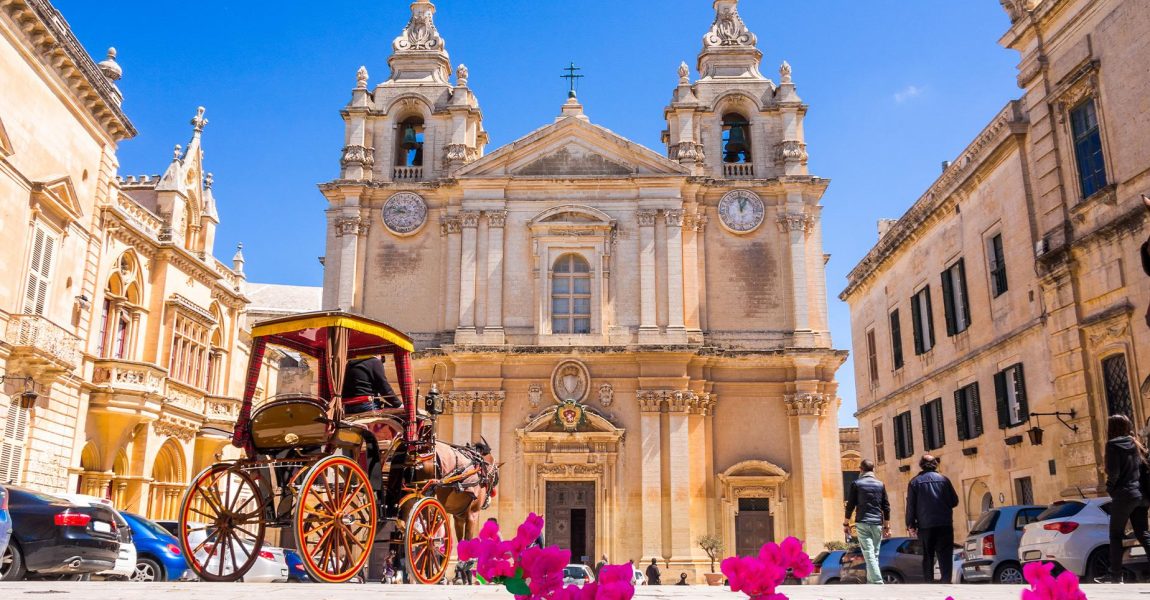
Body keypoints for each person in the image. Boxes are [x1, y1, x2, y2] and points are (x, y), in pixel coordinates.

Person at [1099, 414, 1150, 583]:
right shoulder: (1137, 444)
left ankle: (1115, 575)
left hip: (1124, 495)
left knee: (1115, 535)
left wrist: (1110, 488)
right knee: (1143, 533)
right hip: (1141, 495)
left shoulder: (1112, 445)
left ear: (1112, 428)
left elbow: (1114, 473)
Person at [905, 453, 958, 584]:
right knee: (945, 554)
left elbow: (911, 506)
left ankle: (929, 581)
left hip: (925, 525)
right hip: (944, 523)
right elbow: (954, 501)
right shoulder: (944, 480)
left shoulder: (914, 482)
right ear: (935, 464)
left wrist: (910, 524)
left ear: (921, 466)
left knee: (927, 555)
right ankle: (946, 580)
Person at [844, 458, 891, 584]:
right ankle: (871, 582)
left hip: (863, 522)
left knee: (869, 552)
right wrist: (887, 526)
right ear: (873, 470)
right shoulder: (880, 484)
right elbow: (886, 507)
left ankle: (876, 580)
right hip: (877, 523)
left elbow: (850, 506)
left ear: (861, 469)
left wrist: (846, 523)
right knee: (874, 553)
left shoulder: (856, 484)